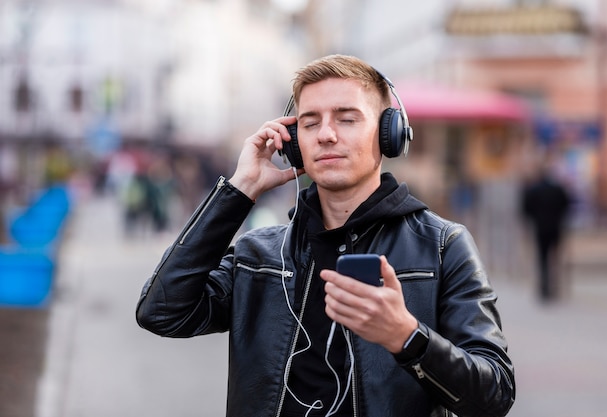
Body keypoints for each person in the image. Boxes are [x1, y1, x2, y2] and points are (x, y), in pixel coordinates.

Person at [136, 54, 515, 417]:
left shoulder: (443, 246)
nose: (326, 135)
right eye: (310, 122)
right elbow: (163, 313)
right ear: (292, 141)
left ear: (389, 134)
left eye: (347, 119)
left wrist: (407, 337)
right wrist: (240, 190)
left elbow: (494, 394)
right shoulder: (259, 255)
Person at [521, 162, 571, 301]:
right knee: (555, 257)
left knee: (542, 257)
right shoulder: (558, 189)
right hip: (555, 227)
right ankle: (554, 285)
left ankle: (544, 287)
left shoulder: (534, 190)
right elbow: (566, 205)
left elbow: (526, 208)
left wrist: (534, 219)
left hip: (540, 227)